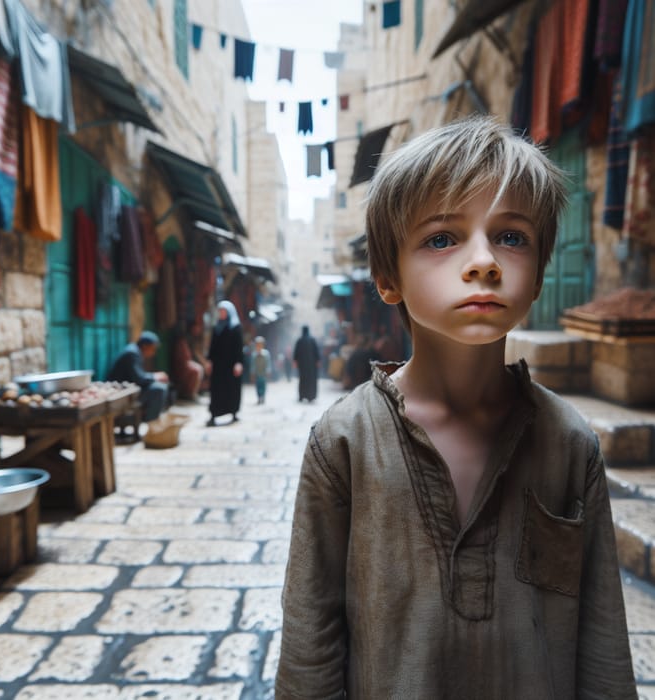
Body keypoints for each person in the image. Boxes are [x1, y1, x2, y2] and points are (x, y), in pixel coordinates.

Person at [275, 116, 637, 698]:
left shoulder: (569, 442)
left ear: (540, 273)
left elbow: (601, 645)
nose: (483, 261)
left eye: (511, 237)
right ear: (388, 277)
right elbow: (310, 651)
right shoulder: (344, 443)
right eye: (442, 239)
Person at [107, 330, 168, 422]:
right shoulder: (132, 354)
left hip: (127, 389)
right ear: (145, 346)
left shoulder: (135, 352)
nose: (154, 353)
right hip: (120, 393)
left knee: (159, 386)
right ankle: (151, 422)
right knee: (159, 389)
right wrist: (155, 376)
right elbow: (139, 379)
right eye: (153, 349)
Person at [206, 300, 243, 426]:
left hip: (231, 366)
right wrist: (209, 361)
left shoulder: (236, 328)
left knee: (231, 389)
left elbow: (239, 348)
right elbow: (212, 346)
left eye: (223, 311)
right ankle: (213, 415)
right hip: (218, 366)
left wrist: (238, 363)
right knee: (216, 390)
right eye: (220, 311)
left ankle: (233, 413)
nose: (221, 313)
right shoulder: (216, 327)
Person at [293, 325, 320, 402]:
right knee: (311, 380)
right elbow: (316, 352)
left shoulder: (299, 340)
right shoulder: (312, 340)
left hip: (302, 365)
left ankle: (302, 395)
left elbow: (296, 353)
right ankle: (311, 396)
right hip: (312, 365)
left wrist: (295, 361)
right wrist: (318, 361)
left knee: (303, 380)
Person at [251, 335, 272, 404]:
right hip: (257, 374)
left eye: (260, 344)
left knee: (263, 386)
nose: (259, 345)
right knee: (257, 386)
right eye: (257, 344)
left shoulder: (266, 354)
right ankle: (259, 397)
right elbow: (253, 365)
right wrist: (252, 373)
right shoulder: (254, 354)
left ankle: (262, 397)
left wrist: (268, 372)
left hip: (263, 373)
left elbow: (268, 364)